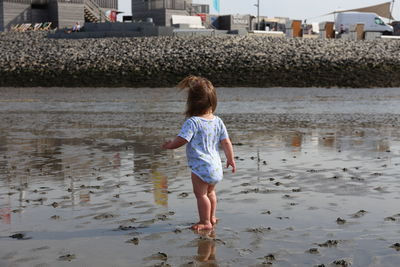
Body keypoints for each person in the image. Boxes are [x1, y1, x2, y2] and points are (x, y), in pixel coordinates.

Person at [162, 75, 236, 231]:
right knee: (211, 192)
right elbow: (226, 142)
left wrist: (170, 145)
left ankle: (205, 221)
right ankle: (212, 217)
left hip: (200, 166)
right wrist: (230, 159)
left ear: (191, 103)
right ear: (212, 101)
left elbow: (182, 139)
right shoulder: (218, 121)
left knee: (201, 194)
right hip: (216, 166)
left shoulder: (193, 122)